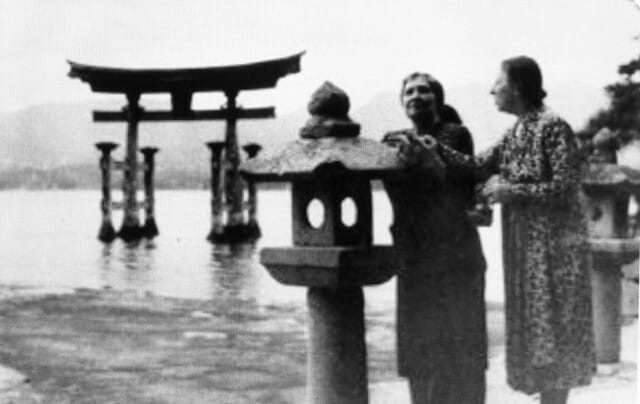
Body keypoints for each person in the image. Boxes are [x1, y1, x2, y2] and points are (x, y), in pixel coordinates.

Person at [431, 56, 596, 404]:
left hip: (555, 250)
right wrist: (433, 148)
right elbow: (477, 165)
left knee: (554, 329)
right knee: (538, 332)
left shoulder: (553, 126)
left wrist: (511, 191)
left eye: (499, 82)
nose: (492, 90)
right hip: (527, 247)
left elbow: (565, 187)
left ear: (518, 87)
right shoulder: (517, 131)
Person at [381, 72, 488, 404]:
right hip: (413, 256)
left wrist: (419, 156)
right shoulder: (395, 142)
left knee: (456, 345)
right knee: (418, 346)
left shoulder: (455, 135)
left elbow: (451, 183)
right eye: (409, 92)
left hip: (454, 255)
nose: (415, 96)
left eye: (423, 90)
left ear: (437, 100)